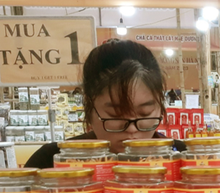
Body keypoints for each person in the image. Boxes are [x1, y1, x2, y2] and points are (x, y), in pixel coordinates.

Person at [26, 39, 185, 168]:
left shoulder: (185, 159)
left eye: (145, 113)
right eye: (116, 116)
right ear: (89, 106)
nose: (131, 129)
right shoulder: (50, 161)